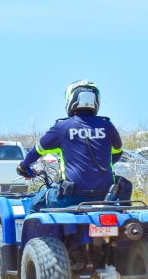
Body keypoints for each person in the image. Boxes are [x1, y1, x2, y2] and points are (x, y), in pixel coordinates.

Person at [17, 80, 123, 212]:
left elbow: (36, 151)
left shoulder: (62, 127)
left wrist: (24, 166)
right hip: (106, 196)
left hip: (72, 197)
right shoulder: (108, 126)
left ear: (71, 99)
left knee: (35, 203)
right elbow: (118, 152)